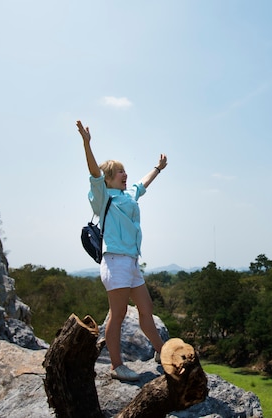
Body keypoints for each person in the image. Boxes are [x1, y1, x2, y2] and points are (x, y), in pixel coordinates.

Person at [76, 119, 167, 382]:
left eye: (125, 171)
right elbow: (94, 172)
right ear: (108, 179)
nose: (124, 174)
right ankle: (117, 366)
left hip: (131, 263)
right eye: (119, 172)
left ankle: (162, 352)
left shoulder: (127, 196)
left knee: (146, 309)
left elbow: (143, 183)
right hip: (114, 261)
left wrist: (157, 168)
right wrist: (86, 143)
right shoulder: (103, 195)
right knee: (117, 316)